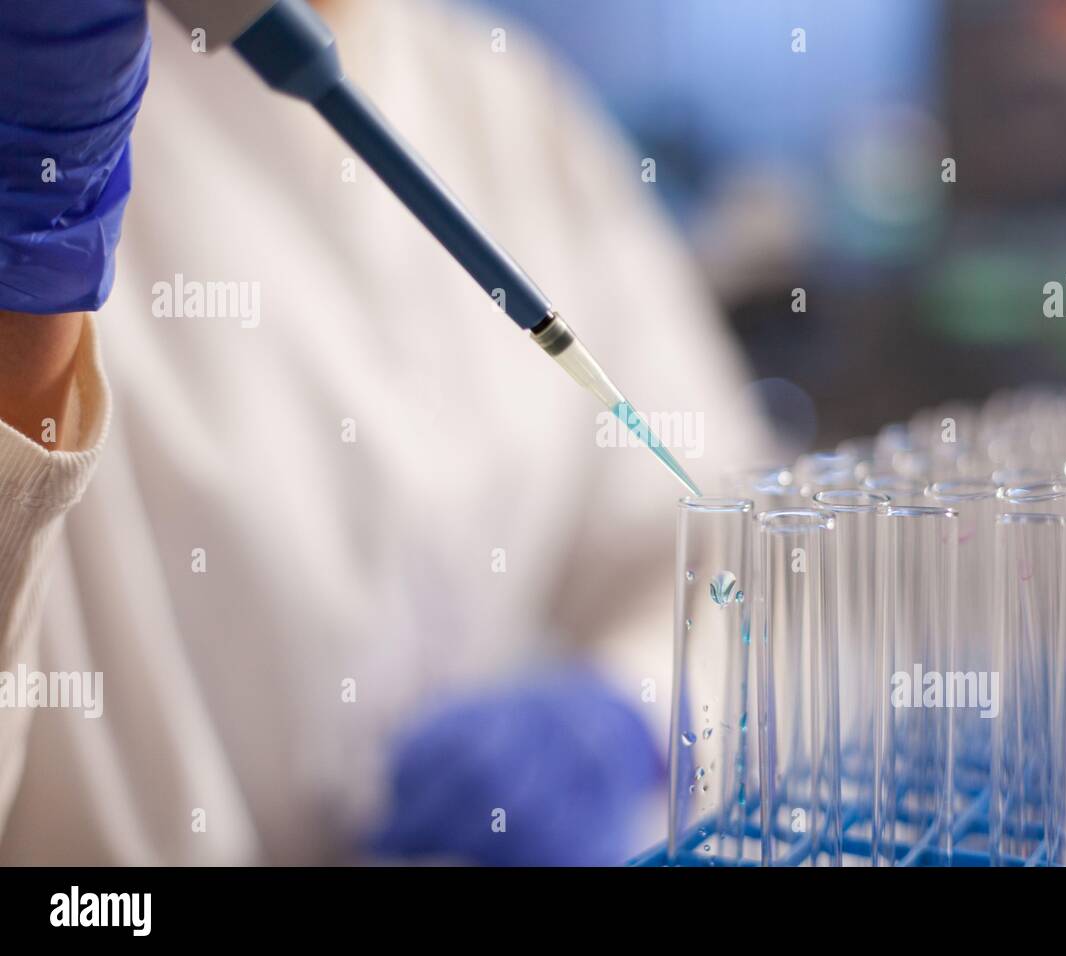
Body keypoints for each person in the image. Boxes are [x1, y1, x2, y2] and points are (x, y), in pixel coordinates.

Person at [0, 0, 769, 864]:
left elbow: (742, 539)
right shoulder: (38, 95)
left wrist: (631, 713)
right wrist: (26, 305)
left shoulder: (503, 97)